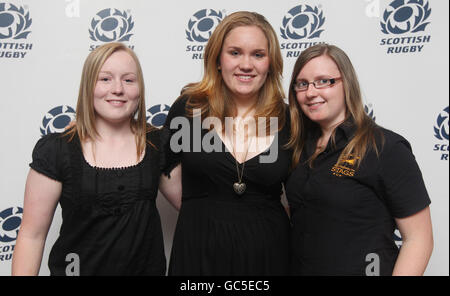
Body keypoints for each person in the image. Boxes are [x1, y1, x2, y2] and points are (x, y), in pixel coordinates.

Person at [12, 42, 166, 275]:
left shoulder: (158, 144)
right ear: (88, 86)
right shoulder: (57, 149)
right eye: (105, 79)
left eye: (128, 80)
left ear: (140, 88)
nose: (117, 89)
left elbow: (197, 205)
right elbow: (32, 236)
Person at [158, 11, 291, 275]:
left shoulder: (289, 119)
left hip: (269, 255)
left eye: (258, 54)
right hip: (198, 252)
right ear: (218, 59)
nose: (246, 64)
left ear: (271, 63)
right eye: (235, 52)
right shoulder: (188, 110)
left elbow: (312, 189)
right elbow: (161, 165)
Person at [285, 44, 433, 276]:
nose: (311, 92)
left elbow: (418, 239)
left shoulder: (385, 147)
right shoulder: (297, 148)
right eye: (302, 84)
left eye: (324, 81)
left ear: (347, 84)